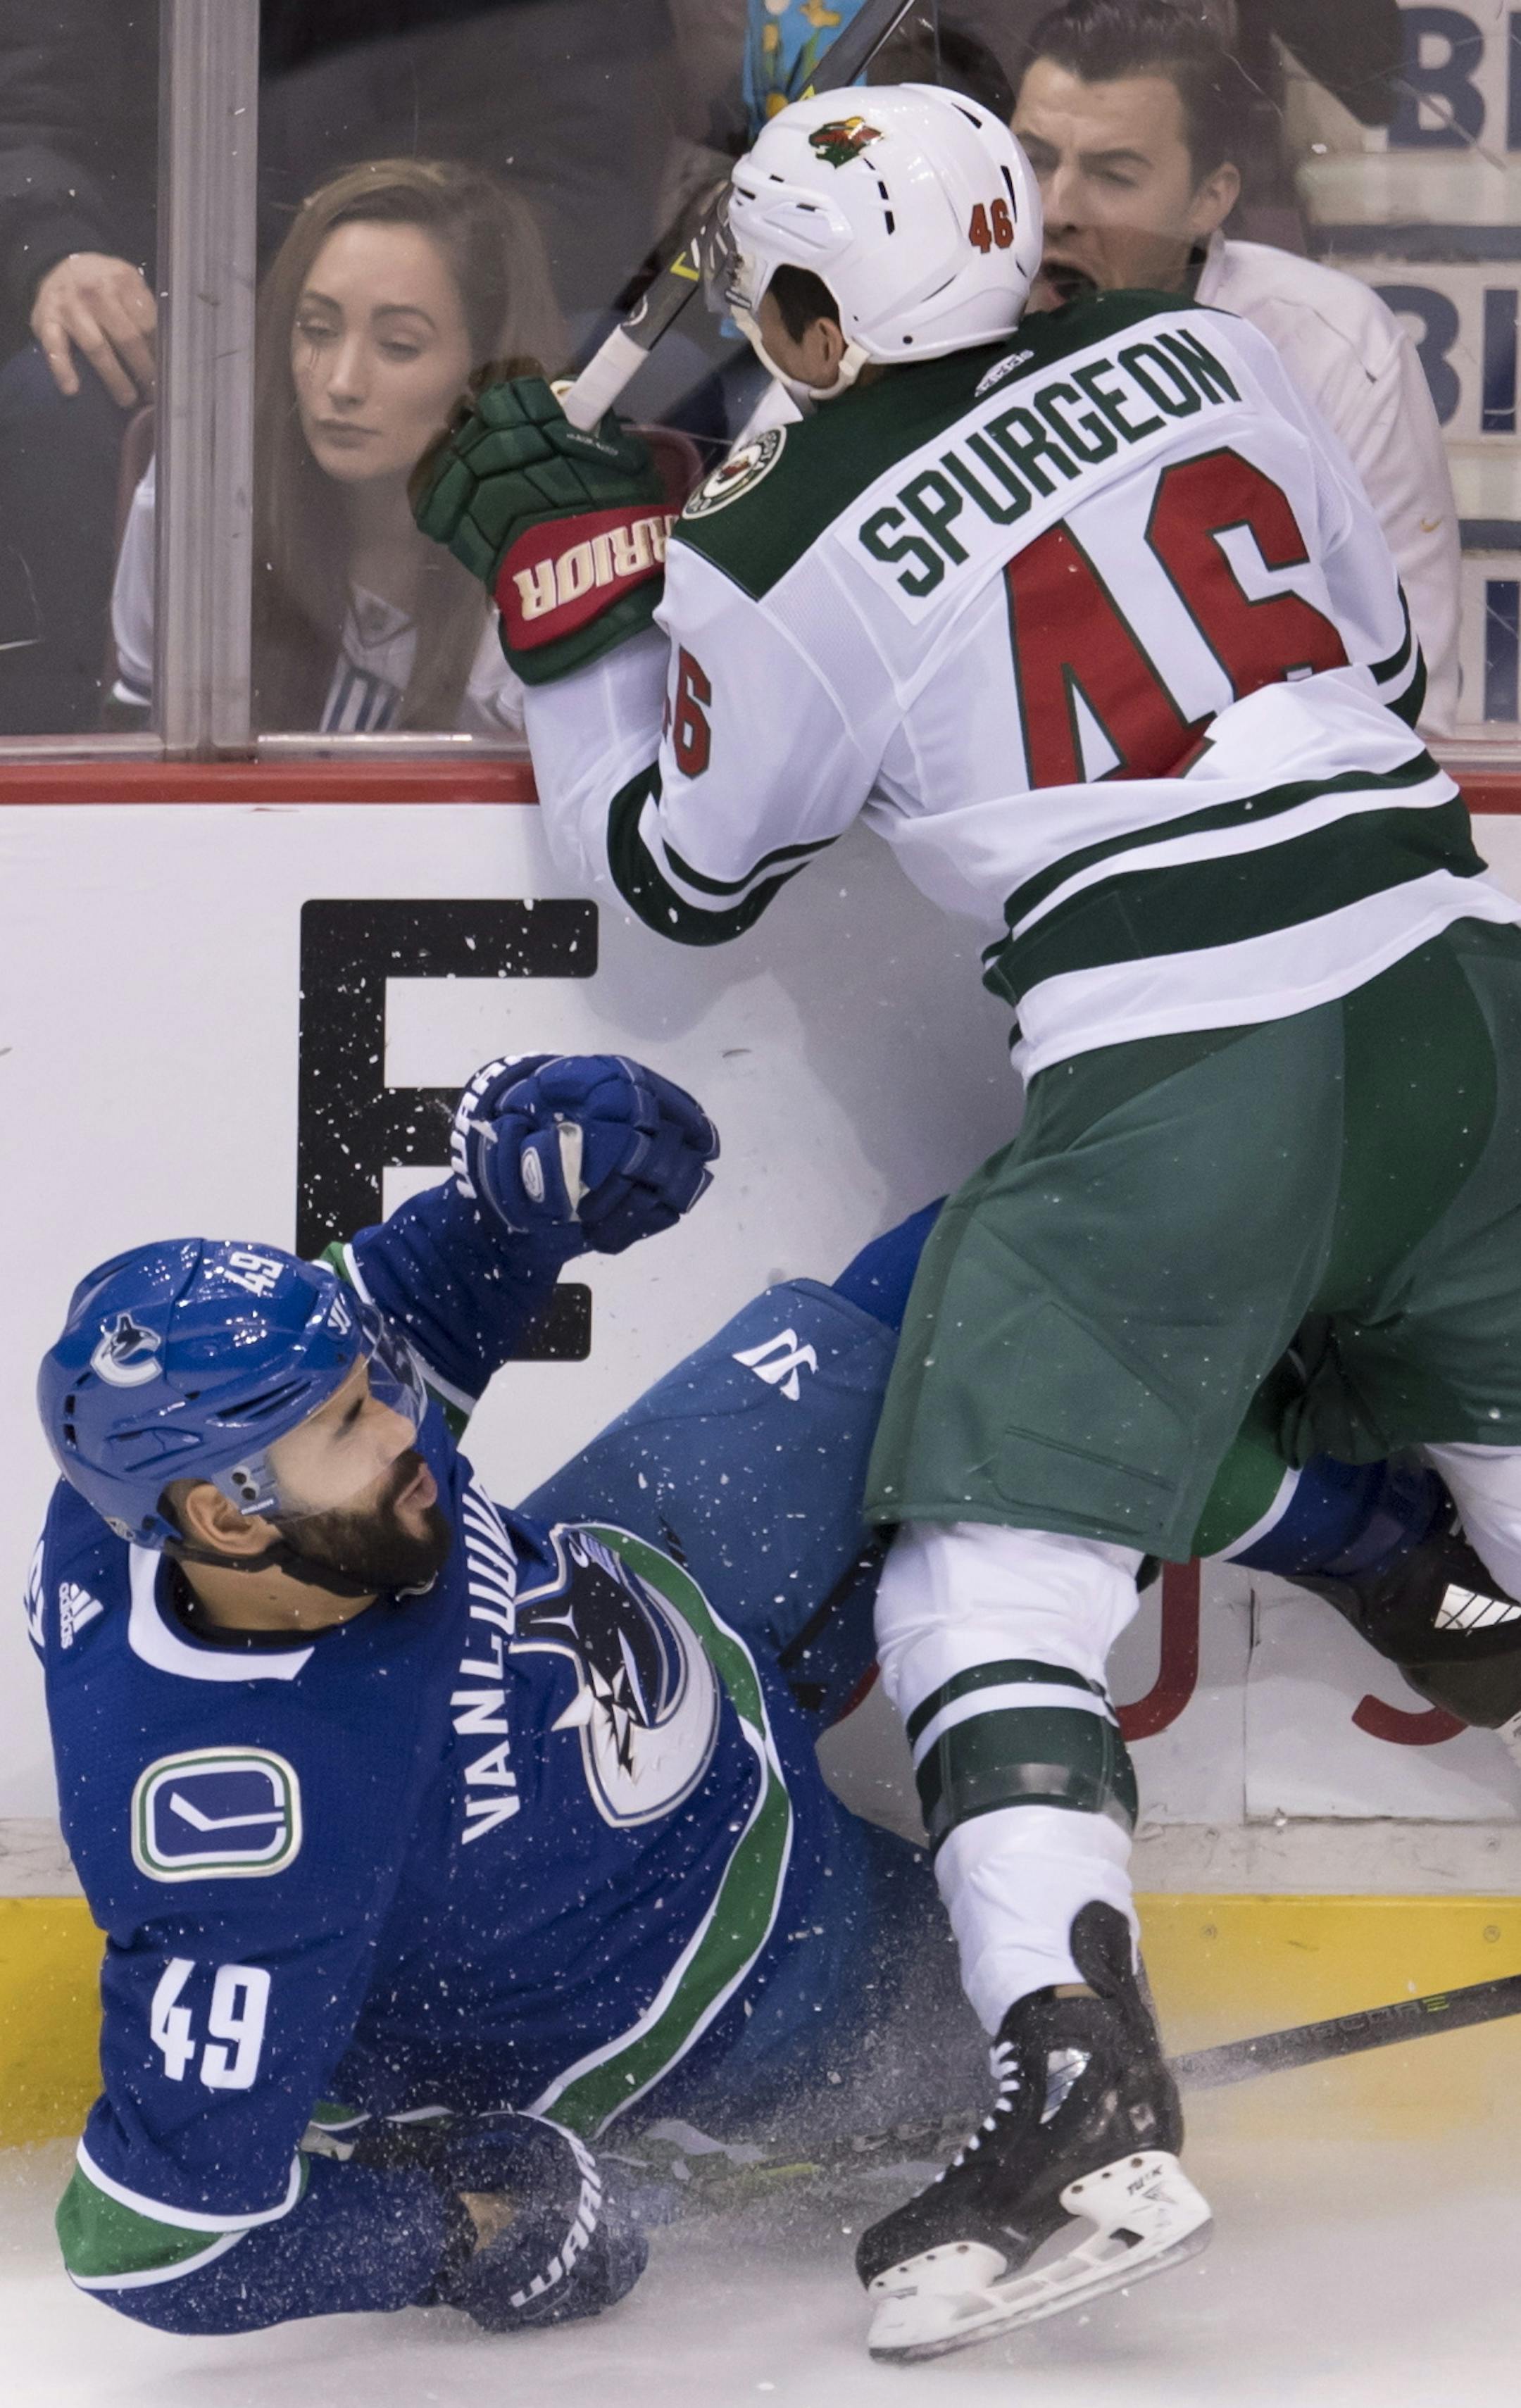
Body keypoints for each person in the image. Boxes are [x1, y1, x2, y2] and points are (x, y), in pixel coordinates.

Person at [411, 81, 1521, 2361]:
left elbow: (663, 888)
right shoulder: (1220, 362)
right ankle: (1399, 1546)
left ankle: (1076, 2101)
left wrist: (568, 607)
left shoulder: (783, 537)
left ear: (815, 310)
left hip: (1182, 1074)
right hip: (1457, 991)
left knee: (988, 1569)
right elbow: (1381, 689)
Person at [30, 1046, 983, 2336]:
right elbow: (148, 2248)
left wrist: (512, 1200)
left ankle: (1368, 1540)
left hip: (652, 1571)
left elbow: (405, 1306)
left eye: (370, 1393)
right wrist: (462, 2235)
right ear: (226, 1517)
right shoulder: (246, 1838)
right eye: (352, 1428)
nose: (407, 1431)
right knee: (1046, 2007)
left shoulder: (183, 1473)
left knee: (1004, 1260)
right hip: (731, 1960)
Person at [1008, 0, 1461, 737]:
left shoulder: (1332, 347)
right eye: (1032, 161)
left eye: (1113, 176)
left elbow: (1410, 712)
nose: (1055, 209)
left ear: (1209, 200)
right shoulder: (916, 314)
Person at [111, 158, 565, 736]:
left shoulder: (543, 571)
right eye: (318, 331)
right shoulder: (200, 485)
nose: (342, 383)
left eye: (399, 345)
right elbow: (137, 730)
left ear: (486, 370)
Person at [0, 1, 156, 732]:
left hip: (396, 272)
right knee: (56, 392)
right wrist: (58, 247)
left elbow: (547, 142)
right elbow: (30, 103)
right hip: (134, 269)